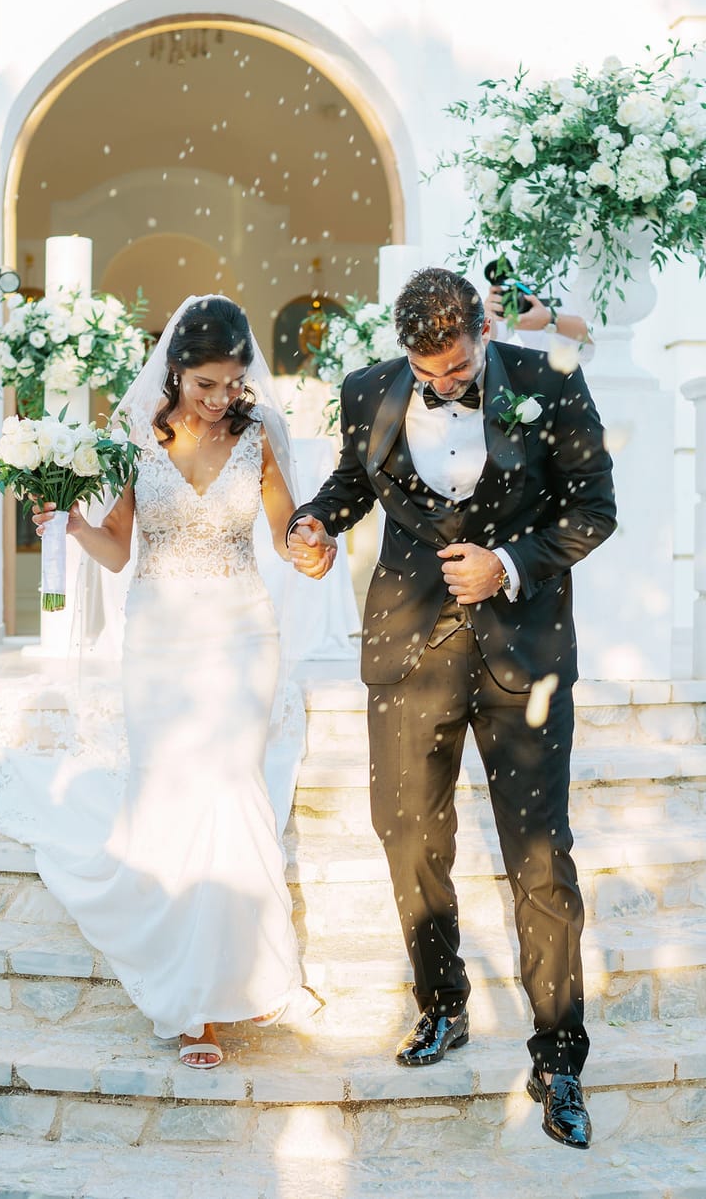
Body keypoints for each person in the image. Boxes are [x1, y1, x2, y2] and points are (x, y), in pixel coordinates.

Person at [287, 267, 616, 1148]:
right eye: (427, 373)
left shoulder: (549, 382)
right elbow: (351, 484)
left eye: (459, 368)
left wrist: (507, 565)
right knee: (407, 834)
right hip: (410, 649)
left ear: (482, 329)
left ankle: (559, 1060)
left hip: (524, 655)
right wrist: (314, 524)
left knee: (541, 860)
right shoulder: (369, 391)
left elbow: (596, 508)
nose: (443, 384)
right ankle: (444, 1004)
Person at [0, 296, 321, 1069]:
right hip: (161, 635)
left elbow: (284, 534)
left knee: (231, 786)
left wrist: (313, 543)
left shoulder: (261, 433)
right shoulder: (135, 434)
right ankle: (191, 1003)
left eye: (233, 383)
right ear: (176, 370)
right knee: (172, 793)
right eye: (207, 383)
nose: (220, 398)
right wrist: (70, 525)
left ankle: (247, 975)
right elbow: (115, 549)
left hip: (240, 628)